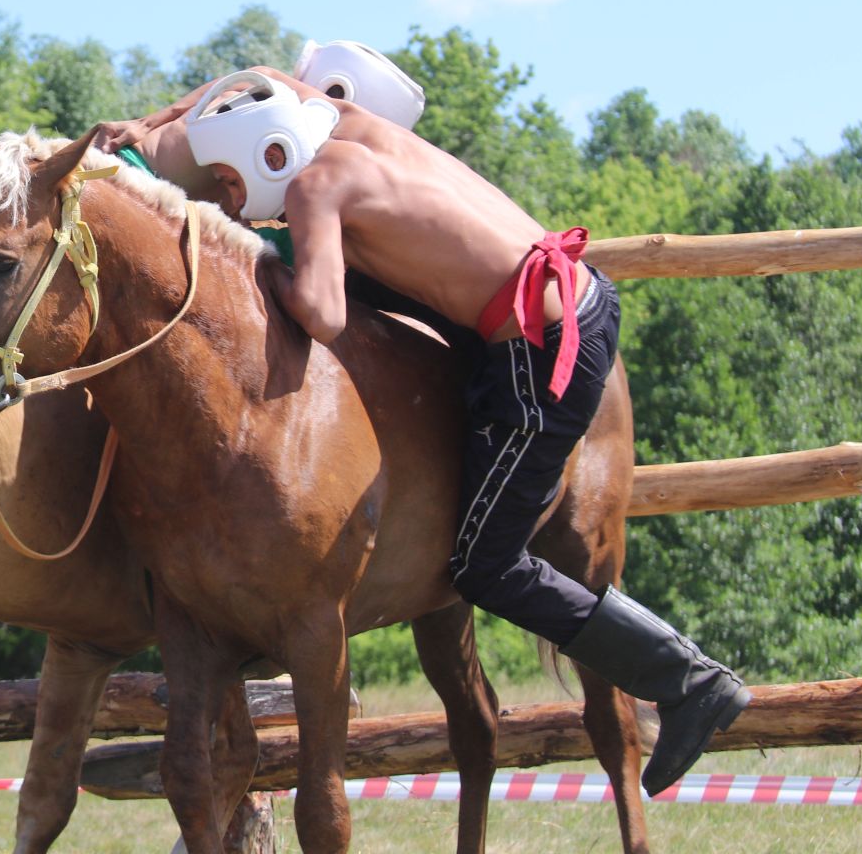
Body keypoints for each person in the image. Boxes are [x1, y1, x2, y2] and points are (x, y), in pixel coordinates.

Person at [97, 47, 750, 797]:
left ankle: (691, 681)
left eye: (234, 181)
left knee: (485, 566)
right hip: (568, 304)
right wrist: (155, 120)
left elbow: (325, 313)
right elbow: (258, 79)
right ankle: (689, 678)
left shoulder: (313, 186)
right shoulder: (352, 126)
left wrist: (253, 262)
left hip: (539, 354)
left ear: (269, 153)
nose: (236, 200)